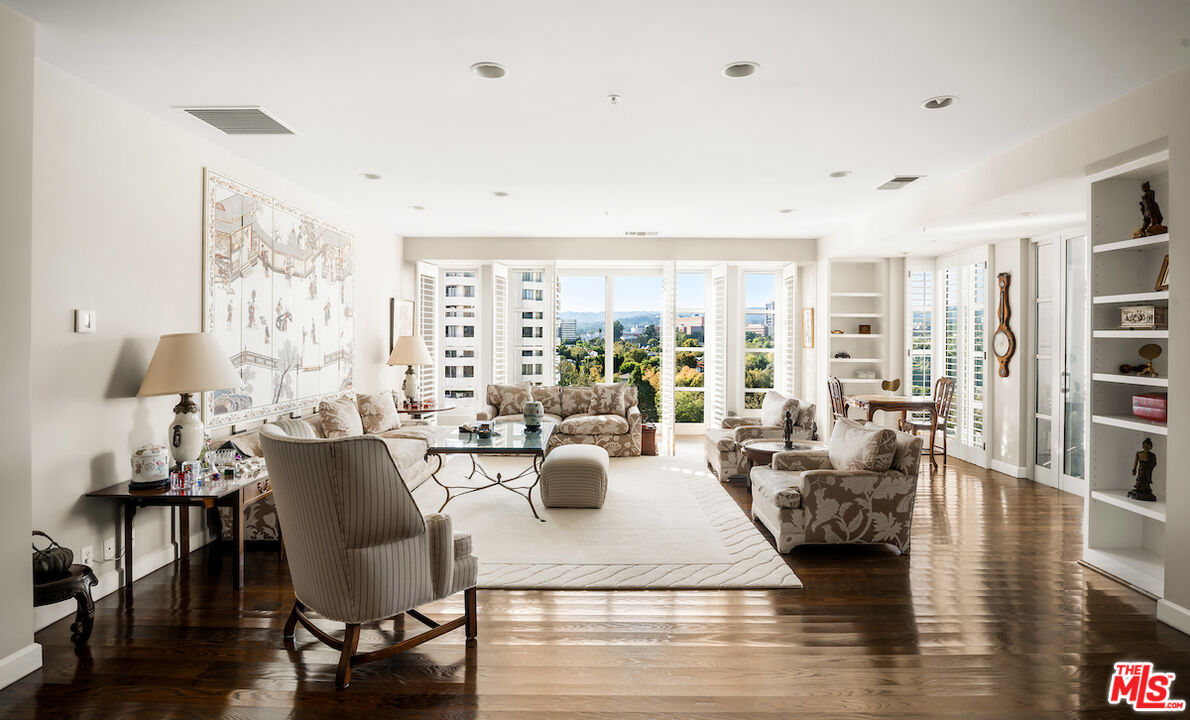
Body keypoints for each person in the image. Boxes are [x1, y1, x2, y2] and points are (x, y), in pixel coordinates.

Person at [1128, 437, 1158, 501]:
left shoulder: (1152, 455)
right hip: (1141, 468)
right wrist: (1134, 469)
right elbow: (1136, 462)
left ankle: (1146, 490)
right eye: (1145, 444)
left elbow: (1154, 463)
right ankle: (1138, 489)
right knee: (1140, 478)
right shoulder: (1139, 453)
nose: (1146, 446)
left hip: (1147, 469)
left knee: (1146, 479)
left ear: (1150, 446)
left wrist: (1149, 467)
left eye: (1148, 445)